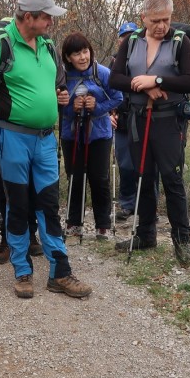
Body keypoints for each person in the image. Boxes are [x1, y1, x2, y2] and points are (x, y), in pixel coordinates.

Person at [0, 0, 92, 300]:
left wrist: (57, 98)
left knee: (48, 204)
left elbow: (53, 85)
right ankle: (22, 270)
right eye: (46, 16)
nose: (51, 21)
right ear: (29, 17)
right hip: (11, 138)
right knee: (18, 204)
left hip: (46, 140)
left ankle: (60, 272)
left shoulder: (46, 46)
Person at [109, 0, 190, 265]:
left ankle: (182, 241)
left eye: (166, 19)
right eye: (155, 20)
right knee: (143, 177)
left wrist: (158, 80)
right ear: (143, 19)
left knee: (172, 180)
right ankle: (145, 235)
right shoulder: (132, 41)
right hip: (139, 118)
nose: (161, 26)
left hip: (169, 121)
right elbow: (115, 78)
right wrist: (142, 84)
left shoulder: (180, 42)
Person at [59, 32, 124, 240]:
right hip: (72, 135)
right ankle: (73, 223)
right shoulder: (62, 76)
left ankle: (102, 225)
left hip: (100, 134)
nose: (83, 57)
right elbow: (57, 106)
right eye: (76, 53)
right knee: (75, 177)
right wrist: (71, 107)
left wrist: (96, 107)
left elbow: (117, 98)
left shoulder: (102, 73)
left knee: (99, 178)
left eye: (85, 51)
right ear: (68, 57)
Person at [112, 21, 139, 220]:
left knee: (148, 166)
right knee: (126, 165)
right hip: (121, 122)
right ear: (119, 39)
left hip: (143, 119)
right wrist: (108, 114)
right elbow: (105, 92)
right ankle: (128, 204)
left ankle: (147, 205)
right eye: (124, 36)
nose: (127, 39)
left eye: (132, 35)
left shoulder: (146, 60)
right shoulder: (114, 64)